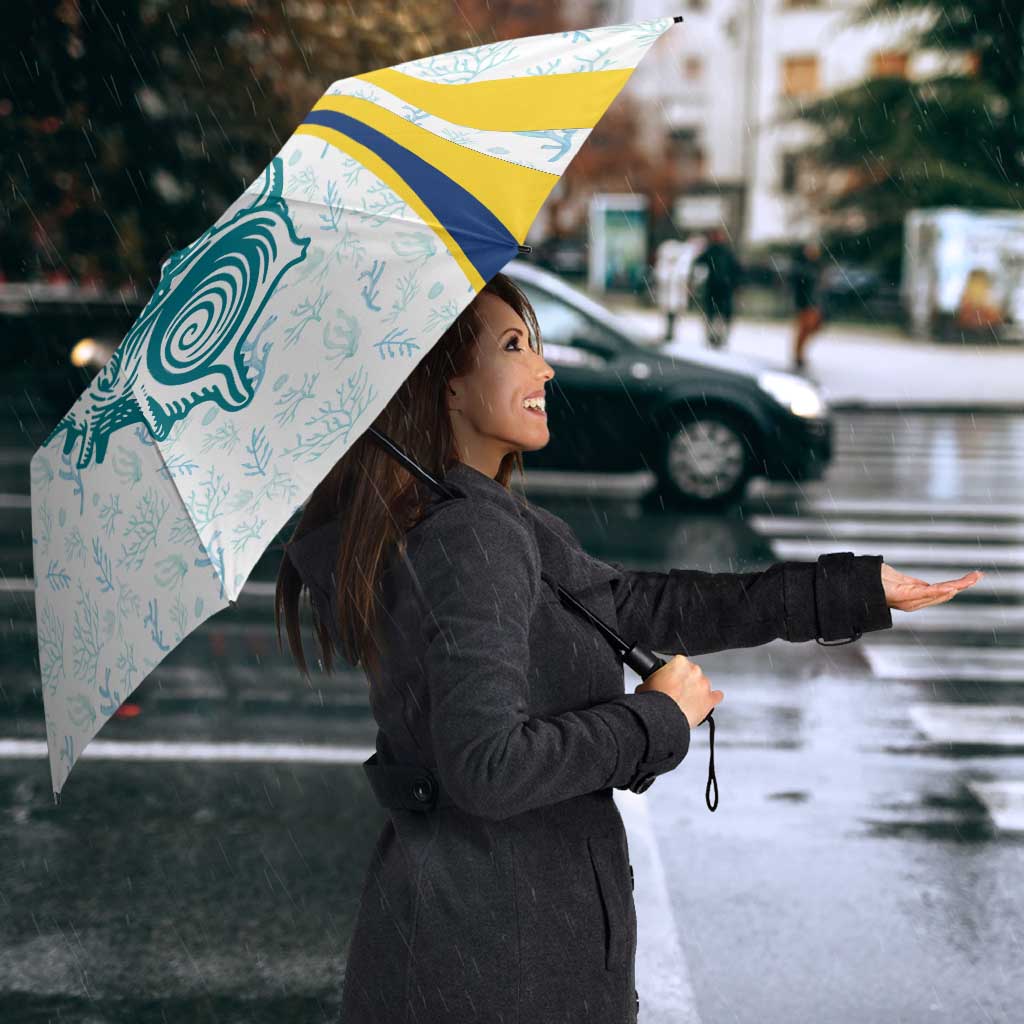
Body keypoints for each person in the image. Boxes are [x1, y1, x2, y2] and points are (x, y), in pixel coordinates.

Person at [275, 271, 977, 1024]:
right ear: (444, 385)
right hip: (498, 962)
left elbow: (640, 605)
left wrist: (850, 591)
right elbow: (487, 768)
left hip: (482, 942)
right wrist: (656, 719)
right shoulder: (469, 537)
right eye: (514, 346)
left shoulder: (476, 518)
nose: (544, 368)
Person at [692, 226, 742, 349]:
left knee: (720, 315)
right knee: (713, 314)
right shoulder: (712, 251)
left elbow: (736, 270)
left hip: (723, 288)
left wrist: (735, 284)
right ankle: (713, 337)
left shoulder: (725, 252)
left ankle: (719, 337)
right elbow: (698, 264)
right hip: (715, 288)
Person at [790, 239, 826, 370]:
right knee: (804, 329)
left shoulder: (817, 266)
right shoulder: (802, 267)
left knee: (812, 328)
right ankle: (798, 355)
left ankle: (799, 354)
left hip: (814, 303)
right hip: (805, 303)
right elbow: (799, 286)